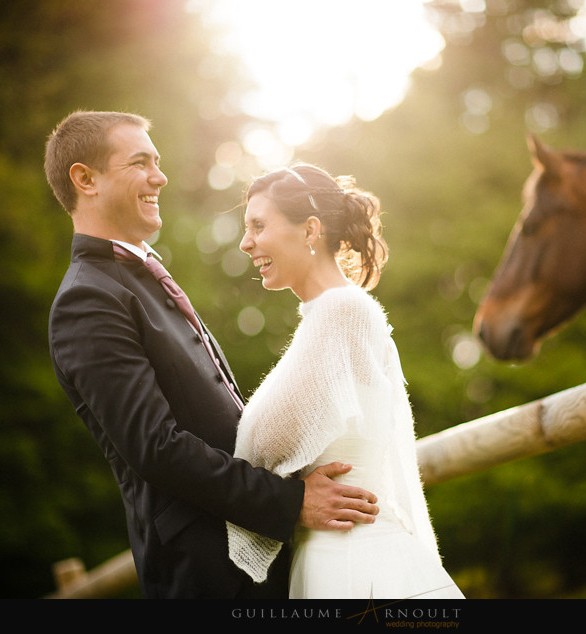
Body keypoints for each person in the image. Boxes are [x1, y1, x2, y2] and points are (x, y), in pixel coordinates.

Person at [44, 111, 379, 599]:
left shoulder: (139, 278)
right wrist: (289, 501)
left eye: (157, 162)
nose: (160, 177)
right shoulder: (87, 299)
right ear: (85, 179)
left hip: (250, 552)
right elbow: (156, 447)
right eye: (140, 163)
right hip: (203, 571)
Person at [229, 163, 465, 599]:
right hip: (339, 552)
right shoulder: (335, 314)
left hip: (355, 562)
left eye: (258, 225)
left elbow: (262, 443)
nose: (246, 243)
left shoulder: (341, 314)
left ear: (310, 229)